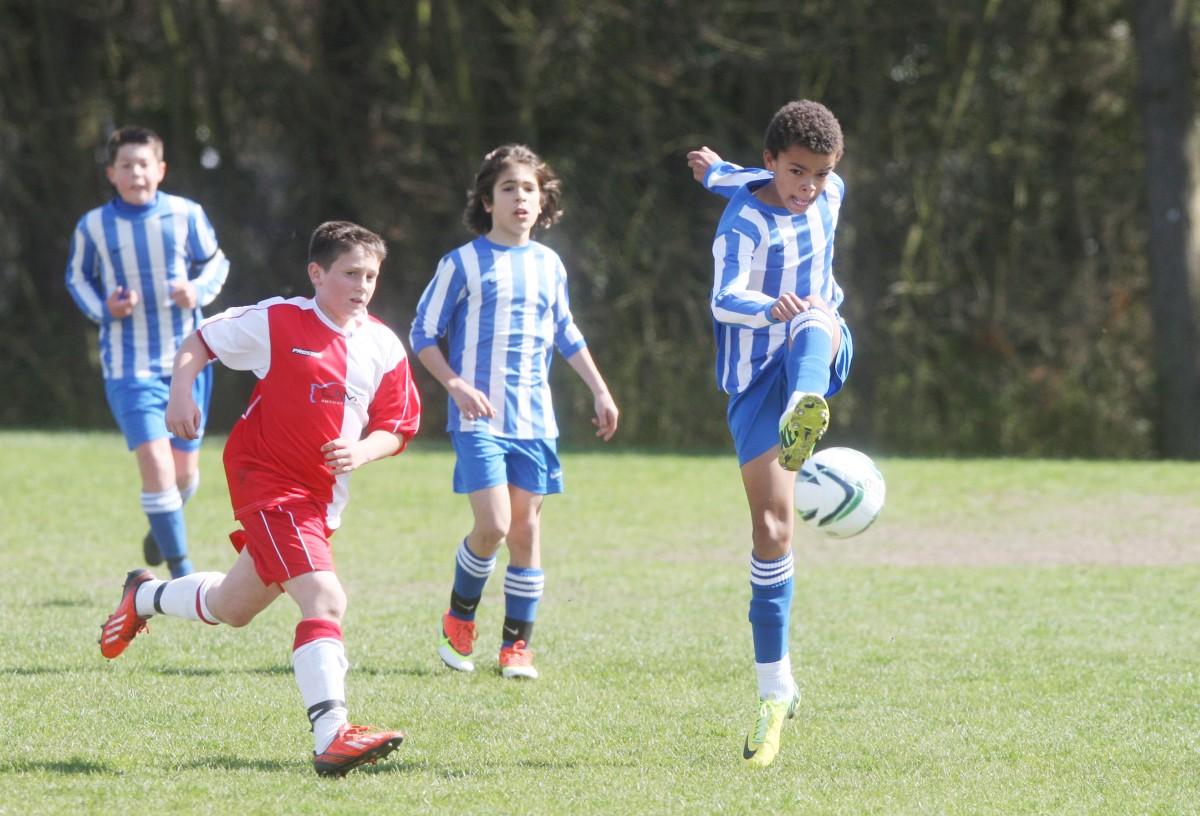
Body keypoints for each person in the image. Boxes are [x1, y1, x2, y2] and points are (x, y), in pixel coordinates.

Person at [98, 221, 421, 777]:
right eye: (350, 273)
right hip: (268, 482)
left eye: (370, 275)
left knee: (232, 606)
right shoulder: (279, 320)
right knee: (325, 600)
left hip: (321, 502)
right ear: (316, 274)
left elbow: (399, 425)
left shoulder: (383, 345)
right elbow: (199, 342)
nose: (362, 285)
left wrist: (362, 451)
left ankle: (144, 596)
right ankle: (332, 735)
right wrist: (180, 392)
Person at [686, 100, 853, 768]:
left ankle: (809, 403)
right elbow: (723, 298)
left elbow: (735, 171)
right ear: (771, 162)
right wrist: (767, 305)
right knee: (772, 532)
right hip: (754, 381)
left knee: (817, 314)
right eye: (795, 172)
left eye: (817, 175)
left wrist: (712, 169)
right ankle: (775, 687)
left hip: (814, 345)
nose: (806, 187)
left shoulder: (829, 193)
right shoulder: (742, 223)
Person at [410, 144, 618, 681]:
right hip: (479, 420)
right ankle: (458, 618)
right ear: (487, 200)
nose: (520, 197)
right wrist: (456, 386)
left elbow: (565, 333)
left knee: (524, 532)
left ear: (542, 198)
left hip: (535, 422)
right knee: (494, 525)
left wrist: (599, 389)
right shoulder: (461, 263)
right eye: (508, 188)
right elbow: (422, 333)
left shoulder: (550, 265)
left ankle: (516, 648)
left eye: (529, 188)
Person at [66, 126, 230, 577]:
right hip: (128, 364)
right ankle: (182, 572)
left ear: (160, 170)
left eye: (144, 164)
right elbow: (77, 278)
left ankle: (162, 530)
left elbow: (217, 263)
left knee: (185, 477)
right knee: (156, 467)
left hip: (188, 361)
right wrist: (106, 307)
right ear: (111, 174)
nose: (136, 172)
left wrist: (195, 291)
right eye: (126, 165)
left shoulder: (185, 214)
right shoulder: (94, 226)